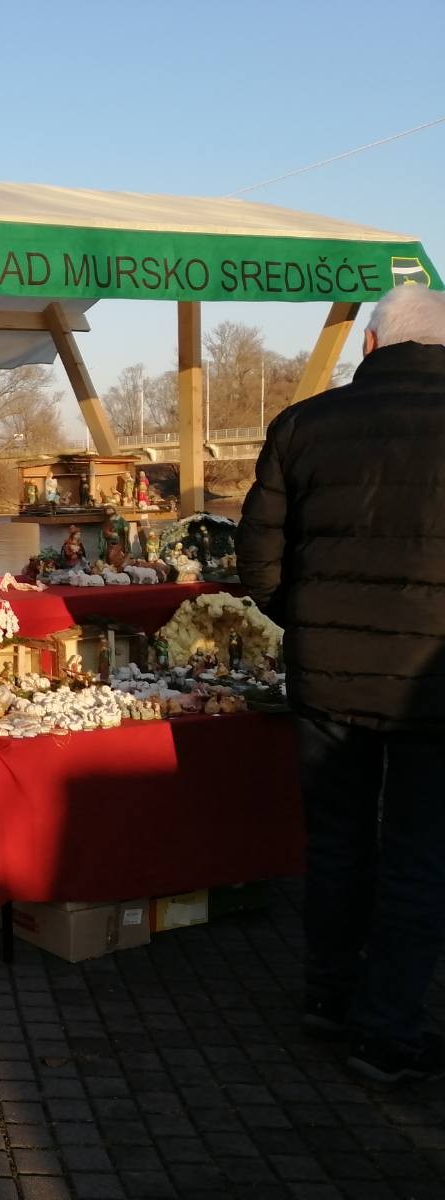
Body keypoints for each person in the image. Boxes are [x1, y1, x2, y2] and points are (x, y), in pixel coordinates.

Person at [238, 284, 445, 1085]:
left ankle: (328, 997)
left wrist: (309, 618)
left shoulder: (302, 425)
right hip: (434, 685)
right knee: (420, 858)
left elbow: (257, 563)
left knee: (337, 842)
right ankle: (387, 1032)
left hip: (325, 677)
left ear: (369, 345)